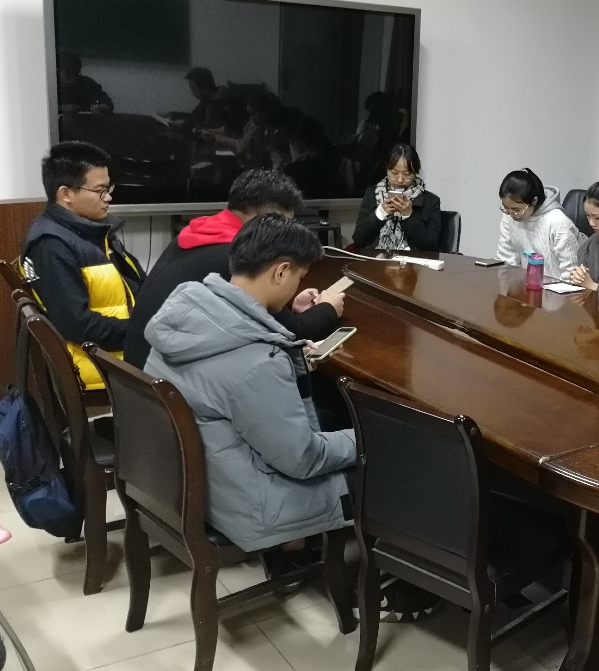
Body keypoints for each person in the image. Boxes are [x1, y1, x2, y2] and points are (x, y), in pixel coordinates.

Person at [143, 214, 355, 553]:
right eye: (298, 277)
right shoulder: (258, 363)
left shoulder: (188, 310)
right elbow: (304, 459)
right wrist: (367, 438)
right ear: (281, 271)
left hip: (191, 482)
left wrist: (291, 359)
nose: (296, 287)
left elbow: (223, 381)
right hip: (248, 505)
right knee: (384, 462)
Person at [123, 169, 344, 370]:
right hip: (167, 382)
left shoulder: (199, 232)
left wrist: (289, 305)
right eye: (283, 225)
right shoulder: (239, 256)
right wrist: (328, 308)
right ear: (265, 221)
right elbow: (291, 332)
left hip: (141, 369)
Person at [21, 142, 145, 390]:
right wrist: (143, 332)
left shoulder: (89, 231)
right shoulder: (51, 245)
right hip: (103, 364)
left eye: (108, 188)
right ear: (66, 194)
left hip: (119, 351)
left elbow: (137, 285)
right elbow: (78, 325)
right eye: (100, 190)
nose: (108, 197)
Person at [352, 143, 442, 251]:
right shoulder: (372, 194)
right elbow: (358, 239)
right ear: (387, 170)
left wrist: (409, 216)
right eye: (394, 173)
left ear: (415, 172)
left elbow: (431, 247)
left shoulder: (431, 201)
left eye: (407, 174)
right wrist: (380, 212)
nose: (400, 179)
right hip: (376, 258)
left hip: (412, 260)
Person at [495, 168, 580, 279]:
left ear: (534, 201)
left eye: (516, 210)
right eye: (506, 208)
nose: (511, 214)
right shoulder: (509, 216)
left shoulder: (558, 221)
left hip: (557, 286)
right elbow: (506, 259)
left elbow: (571, 273)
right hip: (526, 285)